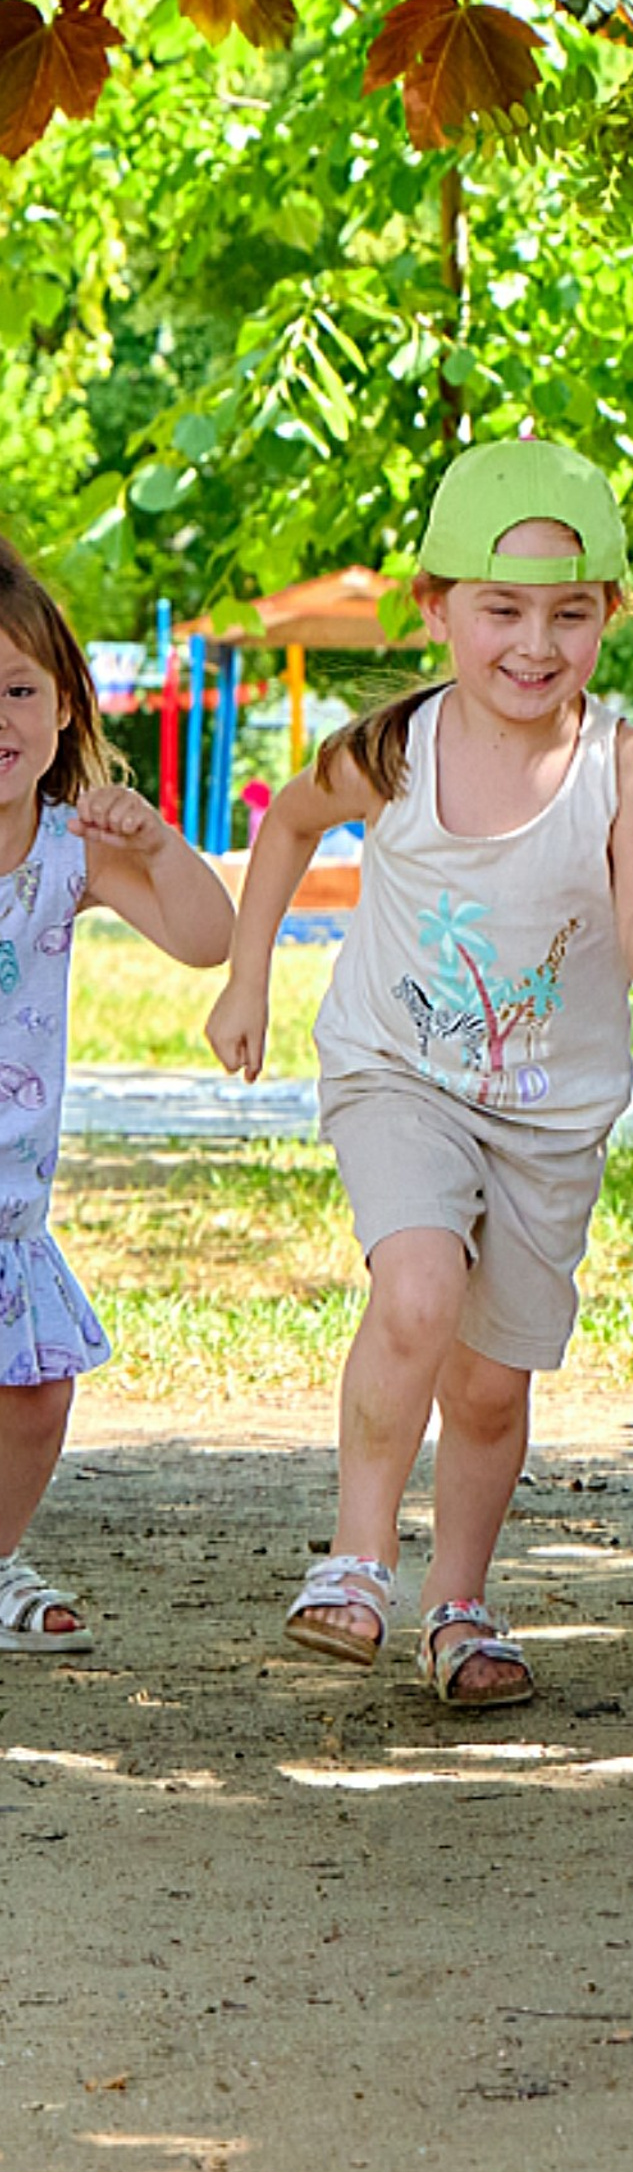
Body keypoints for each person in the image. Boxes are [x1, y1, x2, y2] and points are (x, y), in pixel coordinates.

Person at [208, 439, 633, 1706]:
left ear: (609, 615)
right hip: (401, 1073)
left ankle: (461, 1606)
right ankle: (358, 1560)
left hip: (549, 1119)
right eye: (501, 609)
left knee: (490, 1387)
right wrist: (247, 973)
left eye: (570, 612)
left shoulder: (626, 767)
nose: (534, 644)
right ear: (437, 608)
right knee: (418, 1290)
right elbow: (285, 818)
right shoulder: (392, 748)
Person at [0, 544, 233, 1652]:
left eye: (18, 689)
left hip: (9, 1207)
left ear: (62, 708)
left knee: (38, 1395)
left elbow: (206, 938)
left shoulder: (67, 850)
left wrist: (162, 843)